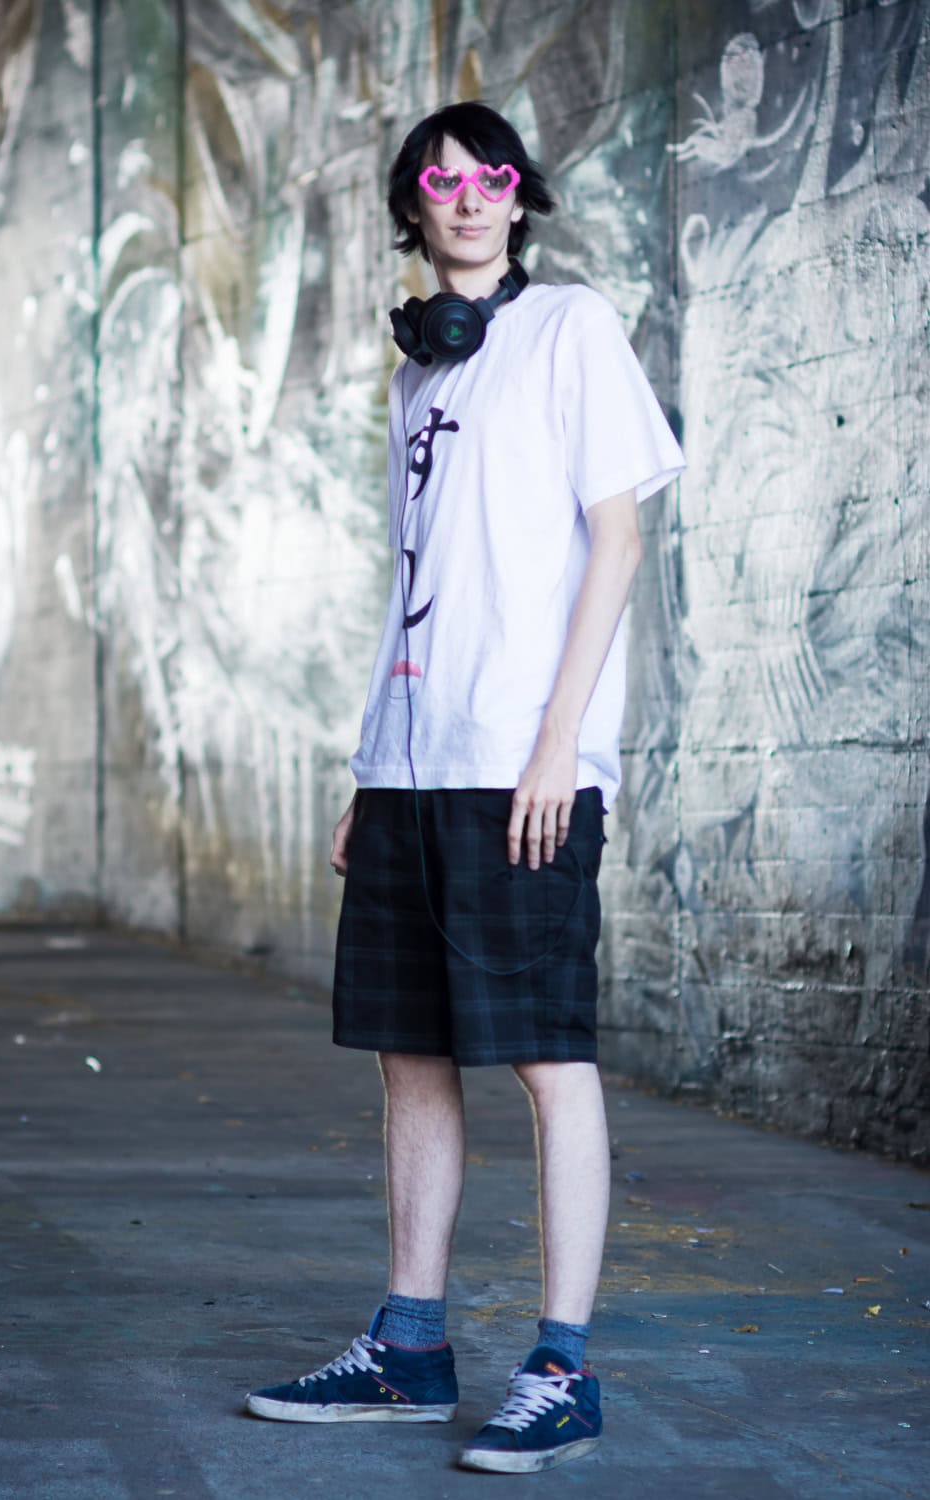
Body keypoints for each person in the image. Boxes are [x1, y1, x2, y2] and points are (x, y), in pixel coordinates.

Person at [246, 101, 684, 1474]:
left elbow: (618, 541)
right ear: (414, 209)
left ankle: (563, 1366)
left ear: (519, 195)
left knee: (550, 1058)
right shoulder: (418, 376)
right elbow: (415, 582)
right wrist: (371, 763)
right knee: (411, 1055)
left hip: (521, 768)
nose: (470, 196)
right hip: (412, 767)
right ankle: (411, 1348)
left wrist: (561, 742)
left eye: (491, 175)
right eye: (442, 182)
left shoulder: (571, 330)